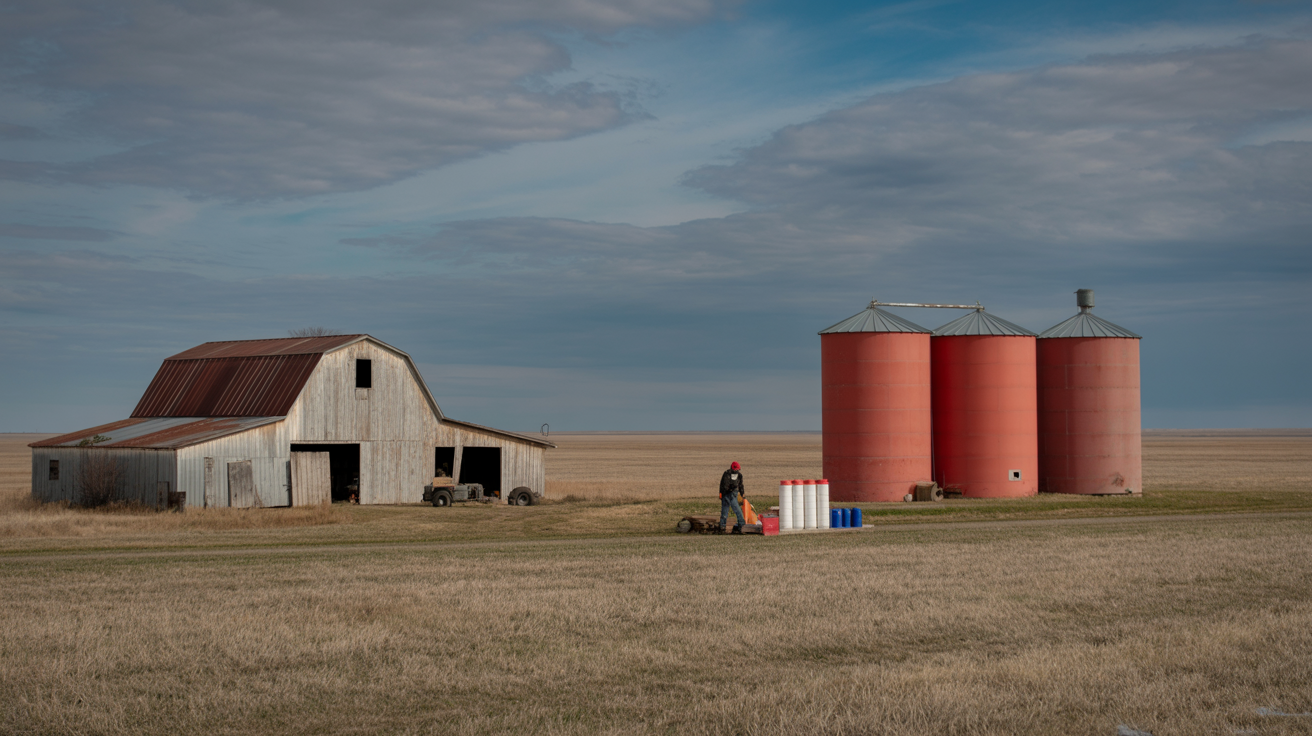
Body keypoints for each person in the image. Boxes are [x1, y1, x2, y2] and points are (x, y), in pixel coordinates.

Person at [719, 461, 746, 534]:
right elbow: (723, 485)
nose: (737, 471)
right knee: (736, 511)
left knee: (725, 512)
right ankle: (742, 526)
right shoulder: (727, 474)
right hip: (728, 494)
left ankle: (722, 527)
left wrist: (742, 493)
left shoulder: (738, 475)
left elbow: (741, 485)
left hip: (730, 494)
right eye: (736, 469)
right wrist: (722, 493)